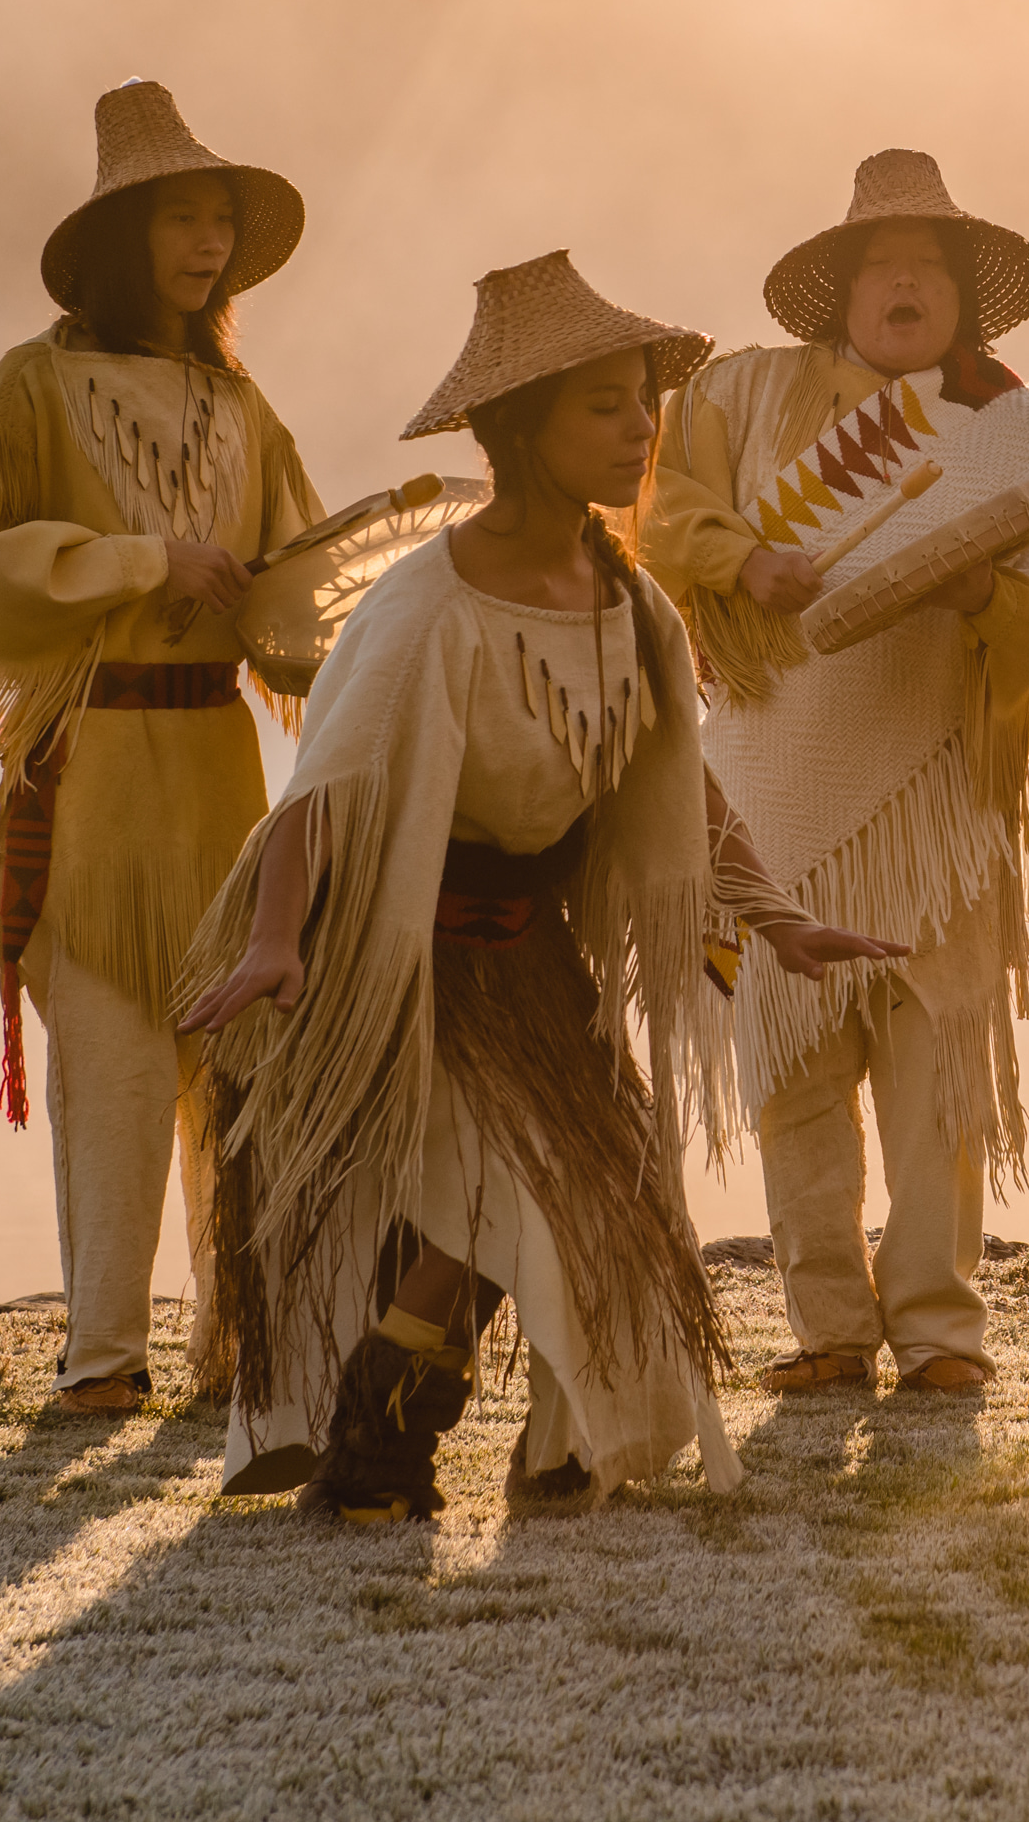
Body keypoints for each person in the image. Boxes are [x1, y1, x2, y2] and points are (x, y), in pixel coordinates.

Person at [174, 251, 901, 1519]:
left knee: (584, 1202)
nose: (638, 432)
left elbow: (681, 793)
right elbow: (322, 795)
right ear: (518, 428)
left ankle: (534, 1453)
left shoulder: (633, 605)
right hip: (387, 951)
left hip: (528, 964)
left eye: (643, 401)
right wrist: (278, 944)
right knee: (490, 1197)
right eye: (602, 407)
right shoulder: (422, 607)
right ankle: (374, 1455)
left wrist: (781, 922)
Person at [0, 81, 329, 1414]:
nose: (207, 245)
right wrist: (140, 560)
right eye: (182, 218)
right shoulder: (35, 383)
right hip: (98, 771)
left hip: (222, 773)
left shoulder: (243, 408)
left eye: (221, 223)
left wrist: (364, 605)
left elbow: (297, 591)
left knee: (239, 1070)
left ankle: (240, 1353)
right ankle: (103, 1361)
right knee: (117, 1072)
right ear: (125, 236)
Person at [634, 152, 1029, 1396]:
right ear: (842, 291)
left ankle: (943, 1335)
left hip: (941, 801)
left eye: (930, 268)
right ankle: (830, 1334)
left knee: (934, 1069)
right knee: (791, 1073)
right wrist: (744, 561)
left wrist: (981, 592)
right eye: (882, 266)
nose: (905, 286)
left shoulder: (1011, 425)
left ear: (966, 296)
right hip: (763, 783)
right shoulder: (739, 397)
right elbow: (656, 509)